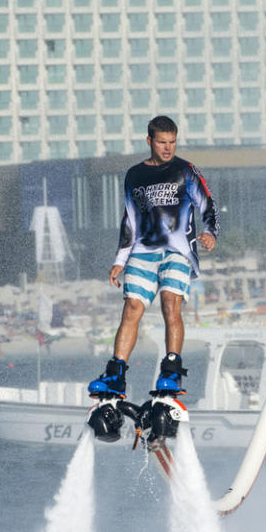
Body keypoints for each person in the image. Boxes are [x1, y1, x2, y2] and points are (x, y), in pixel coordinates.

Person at [88, 115, 220, 399]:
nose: (168, 148)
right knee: (132, 308)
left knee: (170, 304)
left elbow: (208, 204)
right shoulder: (134, 175)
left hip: (178, 250)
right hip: (142, 251)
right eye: (162, 142)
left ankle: (171, 370)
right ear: (149, 141)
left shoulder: (186, 170)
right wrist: (120, 259)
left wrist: (210, 232)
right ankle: (116, 374)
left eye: (172, 142)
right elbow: (130, 219)